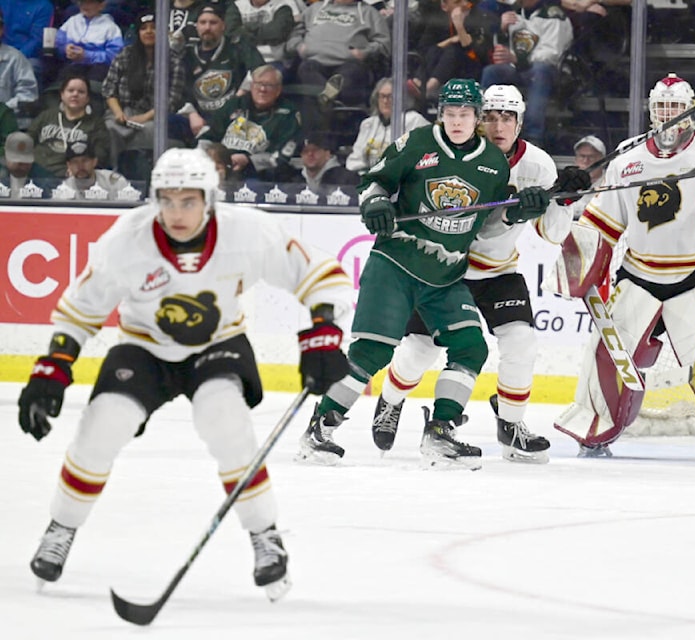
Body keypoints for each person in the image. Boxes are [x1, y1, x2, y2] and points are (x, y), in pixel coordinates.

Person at [17, 147, 354, 599]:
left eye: (189, 201)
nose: (177, 212)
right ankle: (61, 527)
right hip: (143, 348)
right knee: (102, 426)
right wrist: (50, 369)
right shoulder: (126, 239)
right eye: (168, 200)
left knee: (226, 424)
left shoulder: (246, 231)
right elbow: (81, 310)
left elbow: (317, 273)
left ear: (209, 199)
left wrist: (324, 332)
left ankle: (264, 535)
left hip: (218, 346)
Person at [295, 78, 550, 470]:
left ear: (476, 117)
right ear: (441, 114)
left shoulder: (494, 164)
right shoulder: (417, 143)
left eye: (465, 114)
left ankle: (441, 431)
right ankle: (321, 428)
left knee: (471, 346)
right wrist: (377, 202)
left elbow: (488, 223)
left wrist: (521, 209)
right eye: (450, 114)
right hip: (396, 264)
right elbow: (374, 181)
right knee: (373, 351)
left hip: (446, 274)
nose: (458, 122)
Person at [551, 73, 695, 460]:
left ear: (690, 113)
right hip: (640, 272)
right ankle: (596, 420)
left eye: (675, 108)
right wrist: (579, 254)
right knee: (608, 348)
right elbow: (604, 217)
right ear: (652, 112)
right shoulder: (629, 157)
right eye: (662, 108)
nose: (668, 116)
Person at [369, 84, 590, 463]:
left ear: (520, 123)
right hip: (446, 270)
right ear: (474, 118)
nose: (498, 125)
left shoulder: (537, 164)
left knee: (521, 342)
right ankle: (390, 401)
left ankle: (511, 425)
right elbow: (475, 225)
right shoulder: (454, 156)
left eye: (507, 118)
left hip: (498, 271)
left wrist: (562, 201)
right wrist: (515, 210)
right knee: (421, 349)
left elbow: (553, 234)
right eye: (489, 116)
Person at [480, 0, 574, 147]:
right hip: (519, 69)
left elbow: (552, 54)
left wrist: (519, 59)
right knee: (492, 72)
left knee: (539, 71)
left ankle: (533, 136)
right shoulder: (514, 14)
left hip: (553, 72)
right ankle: (485, 128)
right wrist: (502, 30)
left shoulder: (553, 16)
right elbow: (502, 50)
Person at [102, 11, 186, 173]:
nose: (149, 32)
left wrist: (144, 117)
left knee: (151, 131)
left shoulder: (173, 60)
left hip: (155, 115)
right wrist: (119, 114)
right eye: (144, 28)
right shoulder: (124, 55)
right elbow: (109, 90)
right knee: (109, 127)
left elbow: (172, 100)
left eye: (154, 28)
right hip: (122, 112)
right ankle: (114, 174)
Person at [173, 2, 265, 145]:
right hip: (198, 117)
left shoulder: (238, 47)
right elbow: (180, 90)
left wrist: (239, 96)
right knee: (167, 122)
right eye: (203, 22)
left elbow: (260, 71)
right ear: (196, 26)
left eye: (213, 22)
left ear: (223, 25)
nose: (207, 27)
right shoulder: (188, 54)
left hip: (234, 115)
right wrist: (191, 114)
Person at [198, 64, 301, 182]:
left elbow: (282, 155)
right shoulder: (234, 104)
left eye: (269, 85)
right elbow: (207, 135)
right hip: (217, 167)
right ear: (251, 86)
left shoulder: (288, 114)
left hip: (255, 174)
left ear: (278, 90)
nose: (262, 89)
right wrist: (205, 159)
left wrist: (249, 161)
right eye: (259, 84)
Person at [290, 0, 390, 111]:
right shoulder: (314, 9)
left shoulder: (369, 13)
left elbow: (384, 44)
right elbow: (294, 32)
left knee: (349, 74)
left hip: (349, 63)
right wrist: (299, 46)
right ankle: (328, 97)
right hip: (314, 60)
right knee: (305, 69)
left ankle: (325, 100)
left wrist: (364, 52)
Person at [408, 0, 497, 105]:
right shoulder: (439, 20)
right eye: (457, 2)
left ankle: (429, 87)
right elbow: (424, 48)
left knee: (453, 49)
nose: (464, 4)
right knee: (435, 50)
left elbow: (477, 54)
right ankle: (419, 81)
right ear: (444, 6)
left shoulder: (477, 18)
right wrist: (450, 41)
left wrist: (460, 28)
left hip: (472, 66)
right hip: (444, 68)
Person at [26, 71, 110, 177]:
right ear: (62, 95)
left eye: (81, 92)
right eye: (70, 90)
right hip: (36, 170)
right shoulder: (47, 115)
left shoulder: (96, 124)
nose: (75, 94)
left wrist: (81, 170)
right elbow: (27, 139)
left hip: (70, 176)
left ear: (88, 98)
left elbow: (100, 155)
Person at [345, 78, 430, 175]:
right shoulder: (368, 124)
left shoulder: (416, 121)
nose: (385, 101)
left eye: (390, 97)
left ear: (402, 99)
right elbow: (355, 159)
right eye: (382, 96)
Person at [54, 0, 123, 82]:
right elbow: (58, 42)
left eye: (90, 3)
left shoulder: (110, 27)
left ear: (101, 5)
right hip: (72, 65)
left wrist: (86, 56)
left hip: (98, 68)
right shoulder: (72, 21)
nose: (85, 6)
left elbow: (114, 56)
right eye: (82, 3)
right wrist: (65, 49)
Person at [54, 139, 131, 199]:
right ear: (69, 165)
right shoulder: (65, 188)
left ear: (94, 162)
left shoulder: (113, 181)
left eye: (85, 161)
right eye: (75, 162)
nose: (80, 166)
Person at [0, 9, 38, 114]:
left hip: (7, 123)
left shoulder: (16, 58)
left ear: (1, 30)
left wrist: (3, 110)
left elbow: (28, 95)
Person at [0, 130, 54, 196]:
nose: (21, 166)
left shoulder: (45, 179)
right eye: (18, 162)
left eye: (25, 162)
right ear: (6, 157)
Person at [570, 133, 604, 218]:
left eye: (591, 157)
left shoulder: (611, 181)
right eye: (582, 156)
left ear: (602, 160)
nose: (586, 161)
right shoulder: (568, 182)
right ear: (576, 159)